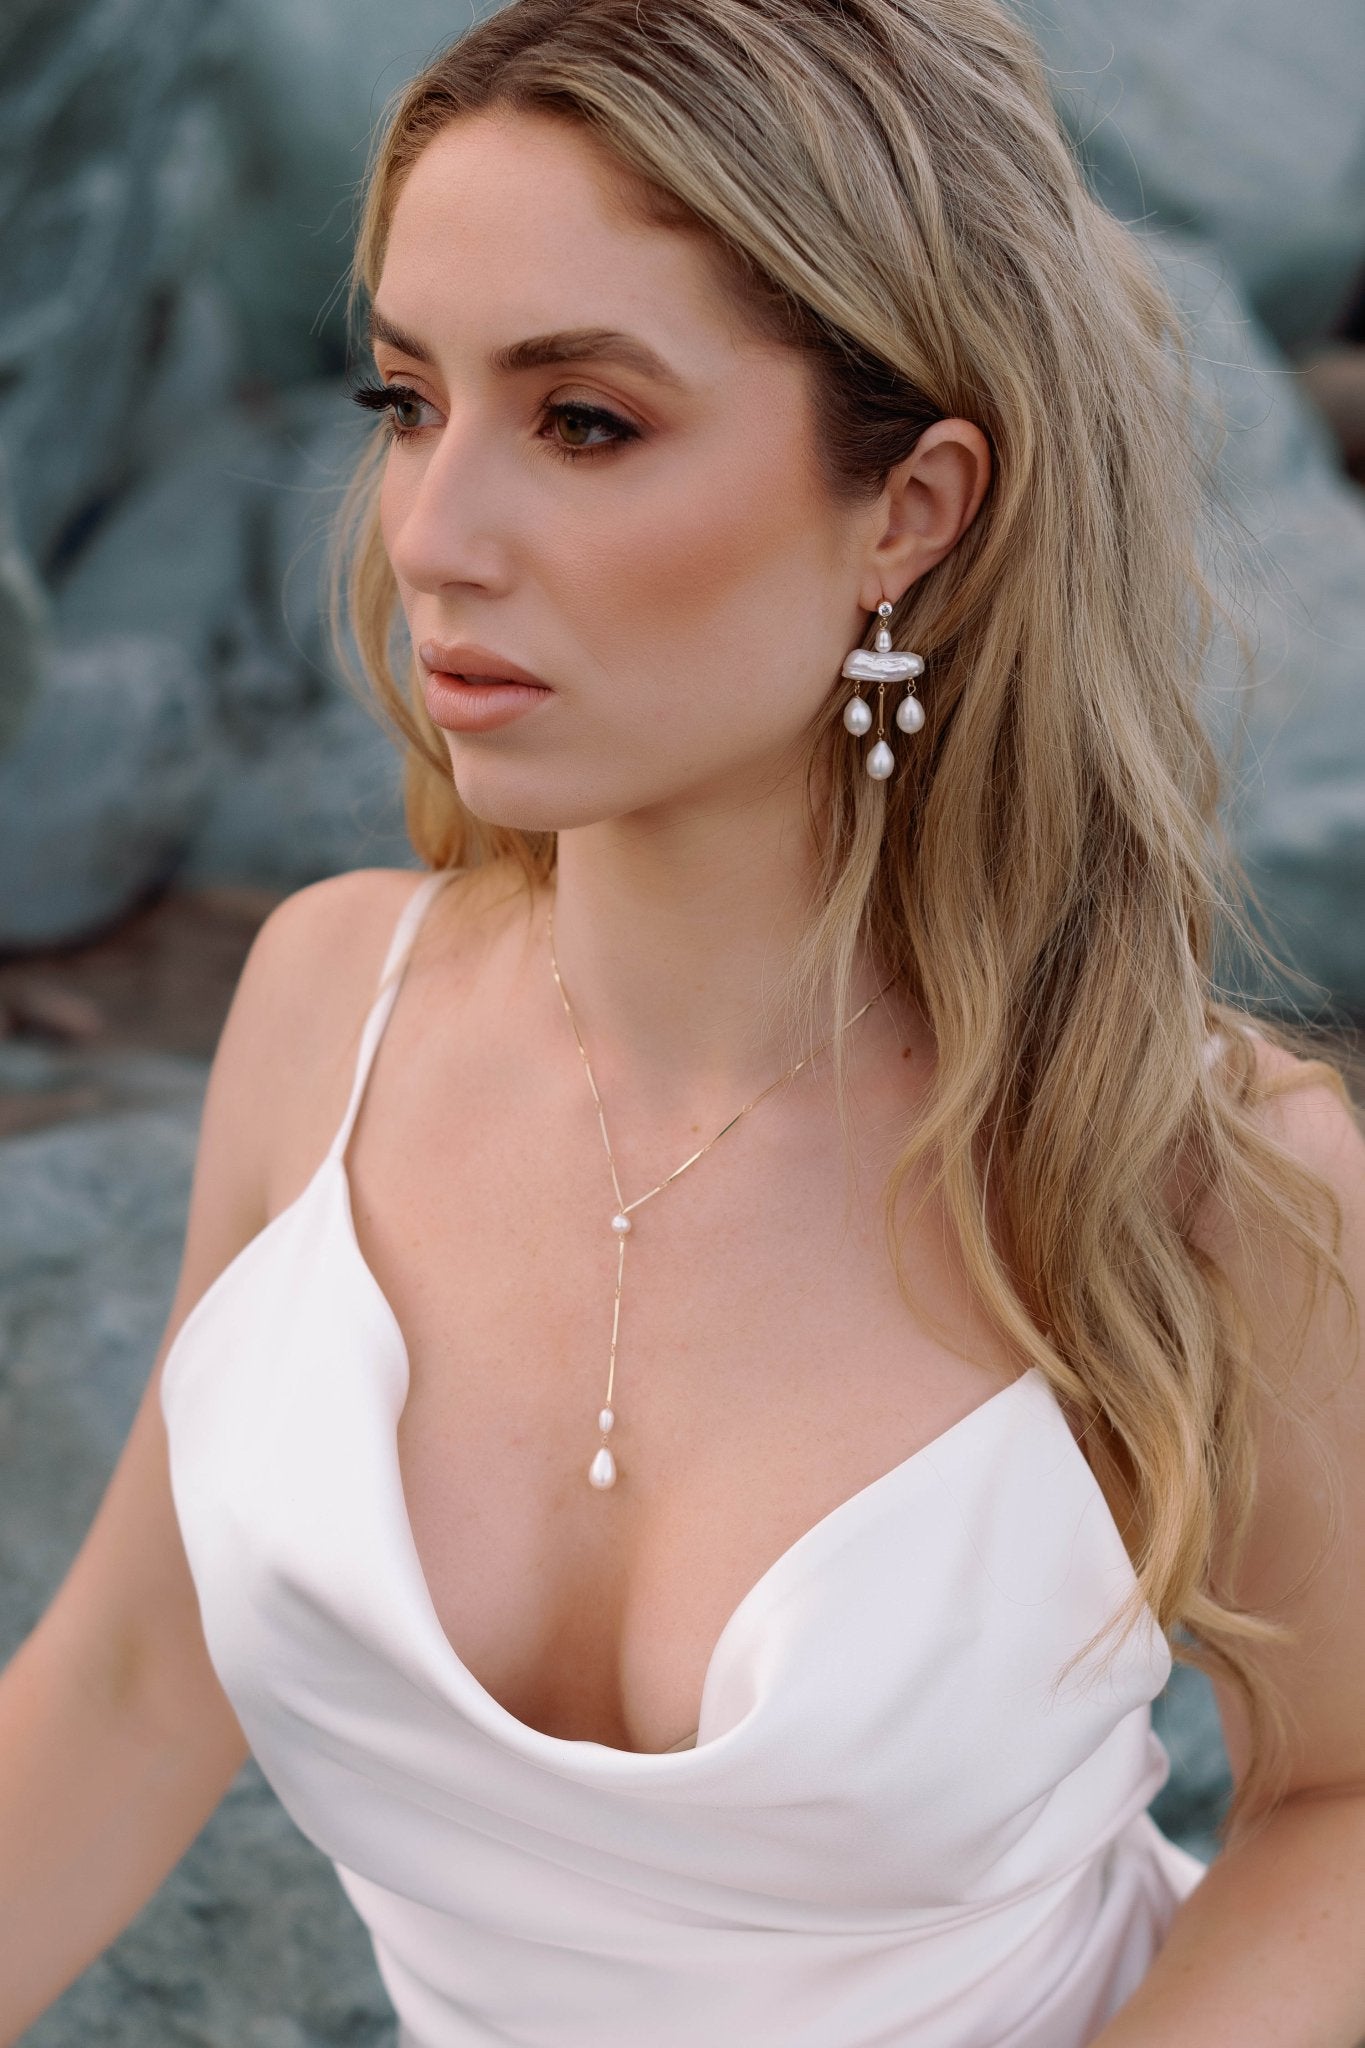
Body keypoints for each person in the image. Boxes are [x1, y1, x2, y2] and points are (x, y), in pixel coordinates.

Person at [4, 0, 1365, 2041]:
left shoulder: (1184, 1168)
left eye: (582, 423)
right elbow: (130, 1675)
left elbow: (1343, 1794)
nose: (434, 537)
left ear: (908, 507)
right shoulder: (324, 1003)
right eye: (402, 400)